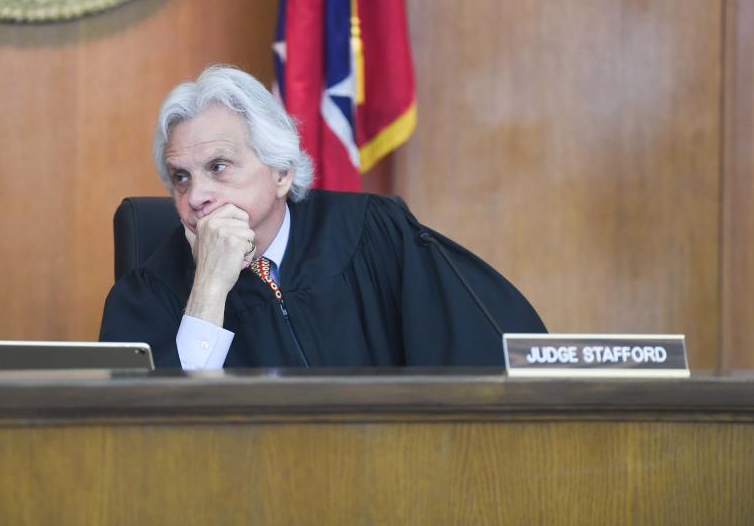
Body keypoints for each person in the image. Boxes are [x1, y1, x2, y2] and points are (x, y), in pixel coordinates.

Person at [99, 65, 545, 369]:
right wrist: (209, 289)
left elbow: (490, 352)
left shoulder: (373, 235)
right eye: (181, 178)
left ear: (281, 172)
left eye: (218, 167)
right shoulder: (147, 293)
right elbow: (155, 440)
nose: (196, 196)